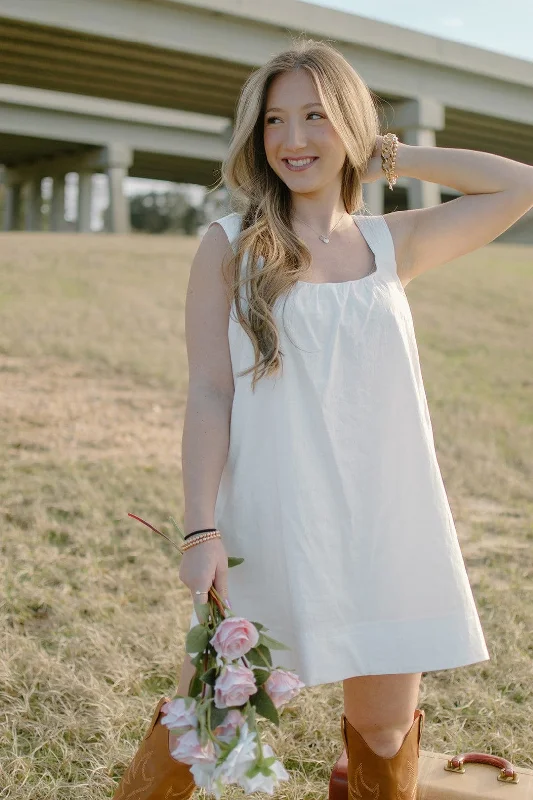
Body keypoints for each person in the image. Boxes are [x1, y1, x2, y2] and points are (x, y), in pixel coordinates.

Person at [113, 39, 533, 800]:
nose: (292, 139)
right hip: (272, 520)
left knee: (381, 731)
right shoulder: (226, 247)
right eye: (274, 120)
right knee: (206, 725)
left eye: (314, 116)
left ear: (350, 124)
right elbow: (210, 391)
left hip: (384, 525)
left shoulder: (389, 243)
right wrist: (200, 528)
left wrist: (385, 154)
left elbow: (517, 186)